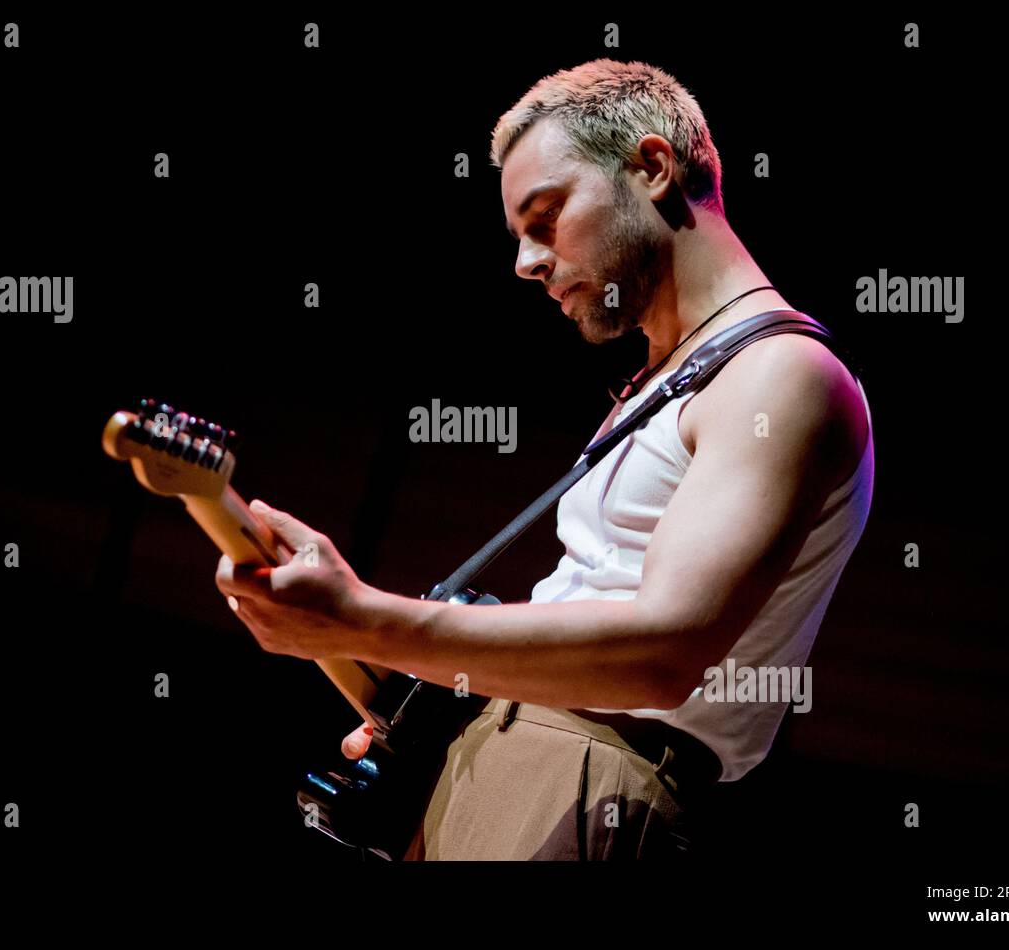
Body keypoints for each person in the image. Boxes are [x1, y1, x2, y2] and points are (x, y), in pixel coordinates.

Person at [216, 58, 874, 860]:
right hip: (514, 764)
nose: (526, 263)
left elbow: (663, 654)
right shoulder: (665, 382)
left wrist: (364, 617)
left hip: (586, 783)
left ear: (653, 167)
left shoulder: (781, 376)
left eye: (546, 216)